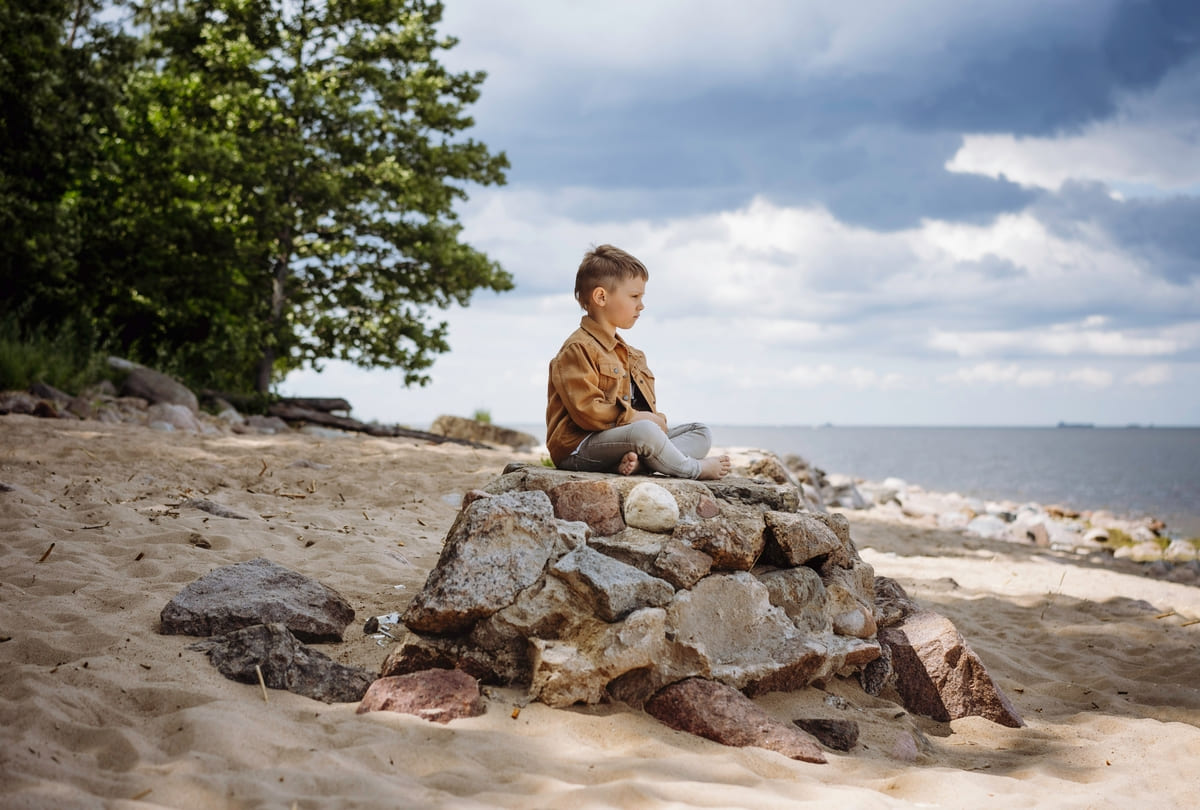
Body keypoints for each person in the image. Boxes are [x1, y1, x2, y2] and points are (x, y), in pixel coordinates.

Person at [545, 244, 732, 480]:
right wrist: (637, 419)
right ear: (601, 296)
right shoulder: (577, 349)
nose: (641, 305)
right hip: (579, 448)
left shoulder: (633, 355)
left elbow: (645, 413)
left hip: (625, 440)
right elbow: (588, 412)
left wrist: (653, 421)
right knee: (645, 432)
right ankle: (692, 469)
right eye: (634, 296)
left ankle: (639, 465)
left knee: (700, 432)